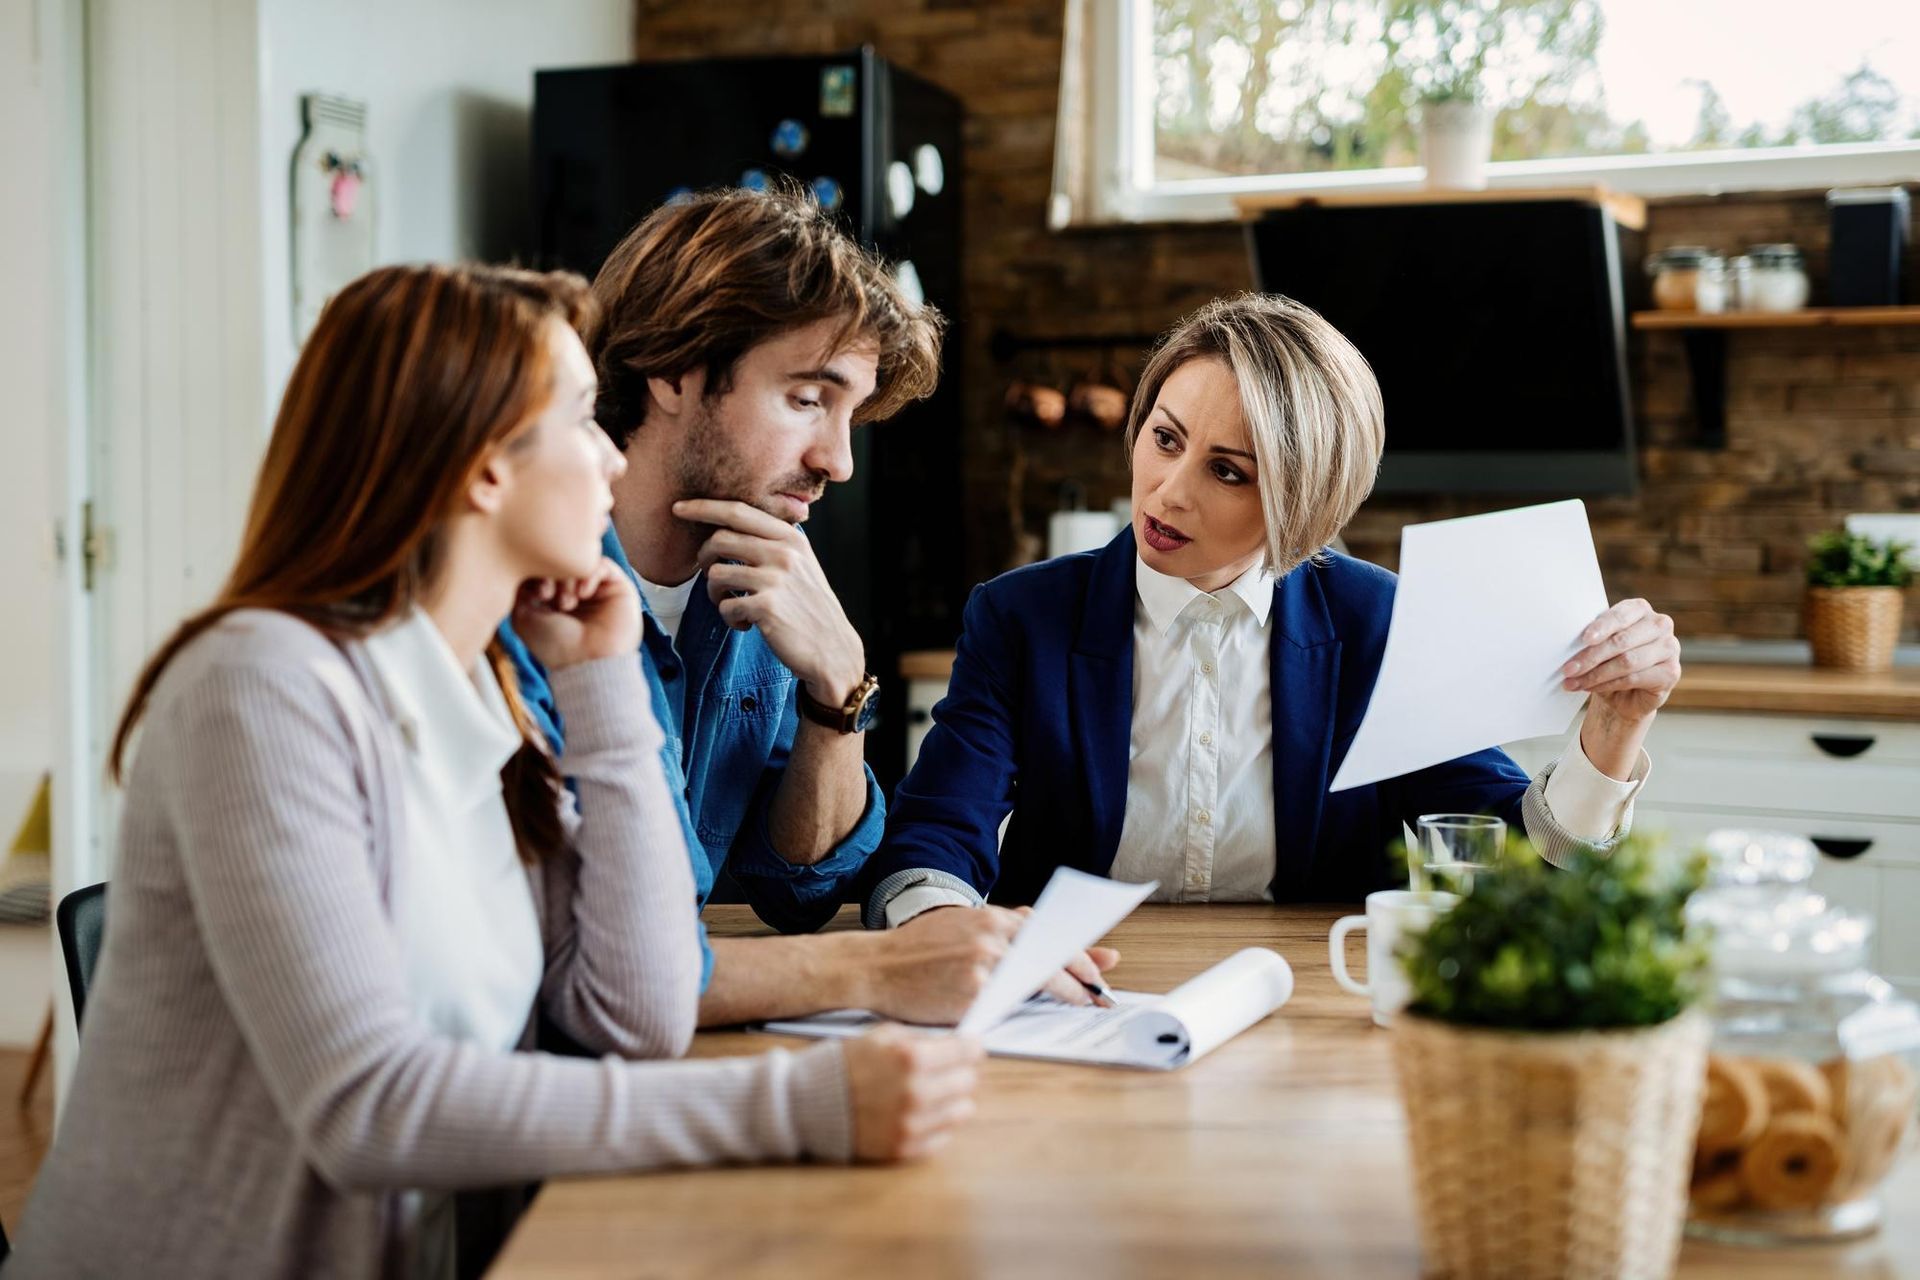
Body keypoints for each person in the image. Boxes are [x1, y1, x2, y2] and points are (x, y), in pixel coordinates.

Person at [10, 263, 979, 1279]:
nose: (611, 457)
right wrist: (798, 1104)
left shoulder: (491, 685)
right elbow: (368, 1107)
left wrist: (604, 683)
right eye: (577, 417)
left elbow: (638, 1007)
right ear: (482, 466)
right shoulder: (265, 686)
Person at [858, 293, 1681, 920]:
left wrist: (1611, 738)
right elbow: (931, 842)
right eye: (1166, 438)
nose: (1167, 494)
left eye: (1229, 471)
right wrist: (946, 931)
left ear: (1304, 502)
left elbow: (1523, 860)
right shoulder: (1019, 617)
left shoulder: (1376, 624)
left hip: (1306, 1004)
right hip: (1075, 995)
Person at [503, 186, 1116, 1027]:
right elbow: (611, 940)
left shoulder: (764, 583)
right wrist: (888, 963)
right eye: (806, 400)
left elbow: (801, 887)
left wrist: (841, 690)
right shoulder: (525, 596)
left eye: (851, 416)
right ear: (674, 369)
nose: (838, 460)